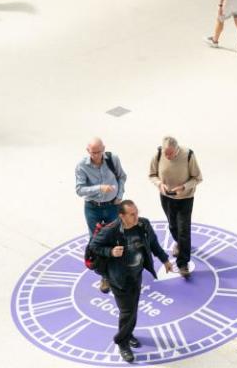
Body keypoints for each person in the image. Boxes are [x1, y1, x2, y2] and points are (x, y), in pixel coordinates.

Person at [89, 200, 173, 363]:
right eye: (132, 214)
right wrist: (110, 251)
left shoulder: (143, 224)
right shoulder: (111, 231)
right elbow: (93, 246)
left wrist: (165, 260)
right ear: (122, 216)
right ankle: (122, 342)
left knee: (132, 308)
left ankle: (128, 333)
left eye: (137, 212)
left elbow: (154, 243)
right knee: (127, 311)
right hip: (118, 278)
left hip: (136, 275)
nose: (136, 217)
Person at [75, 137, 128, 292]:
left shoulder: (113, 159)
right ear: (88, 151)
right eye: (93, 152)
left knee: (115, 237)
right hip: (93, 208)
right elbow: (79, 190)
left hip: (112, 206)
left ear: (104, 148)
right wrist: (99, 188)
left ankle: (117, 271)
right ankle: (104, 276)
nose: (97, 155)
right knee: (96, 241)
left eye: (99, 152)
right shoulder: (81, 166)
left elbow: (122, 176)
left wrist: (120, 195)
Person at [148, 136, 201, 279]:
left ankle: (183, 263)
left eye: (170, 153)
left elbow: (197, 178)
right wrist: (160, 184)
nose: (167, 156)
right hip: (166, 197)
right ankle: (180, 243)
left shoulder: (188, 155)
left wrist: (184, 187)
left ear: (177, 150)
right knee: (173, 226)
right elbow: (152, 174)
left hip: (185, 198)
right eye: (166, 153)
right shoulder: (159, 154)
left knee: (184, 230)